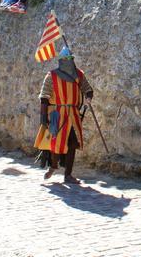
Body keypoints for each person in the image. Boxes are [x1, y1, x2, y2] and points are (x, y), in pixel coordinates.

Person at [33, 47, 94, 184]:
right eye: (66, 59)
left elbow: (88, 89)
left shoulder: (79, 75)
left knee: (73, 142)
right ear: (61, 60)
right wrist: (43, 117)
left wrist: (88, 97)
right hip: (58, 114)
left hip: (74, 114)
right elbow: (44, 96)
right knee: (57, 143)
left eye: (70, 59)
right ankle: (53, 165)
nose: (69, 61)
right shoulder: (52, 75)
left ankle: (68, 175)